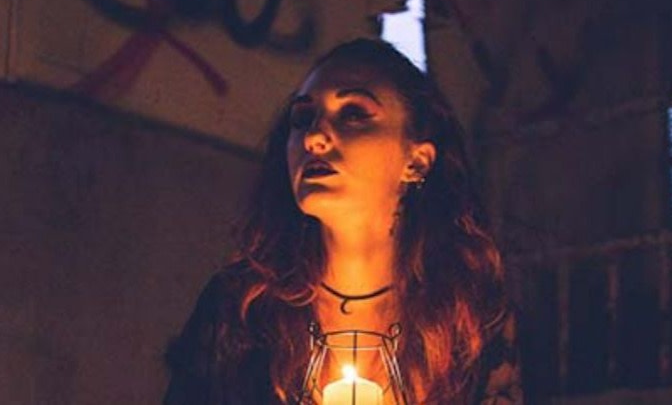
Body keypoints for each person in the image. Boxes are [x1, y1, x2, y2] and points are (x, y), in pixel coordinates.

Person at [163, 38, 523, 404]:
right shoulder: (241, 307)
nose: (314, 137)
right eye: (302, 118)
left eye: (353, 114)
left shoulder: (468, 315)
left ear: (416, 161)